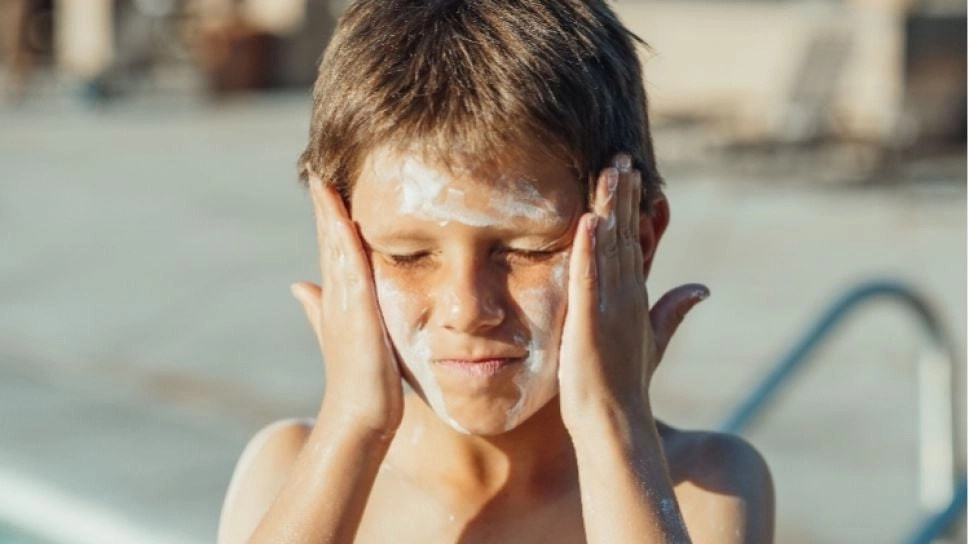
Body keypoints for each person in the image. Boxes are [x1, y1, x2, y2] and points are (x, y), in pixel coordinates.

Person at [218, 1, 775, 542]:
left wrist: (611, 424)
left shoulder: (706, 486)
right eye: (408, 256)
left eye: (528, 249)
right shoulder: (289, 472)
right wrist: (354, 425)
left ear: (637, 242)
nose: (467, 308)